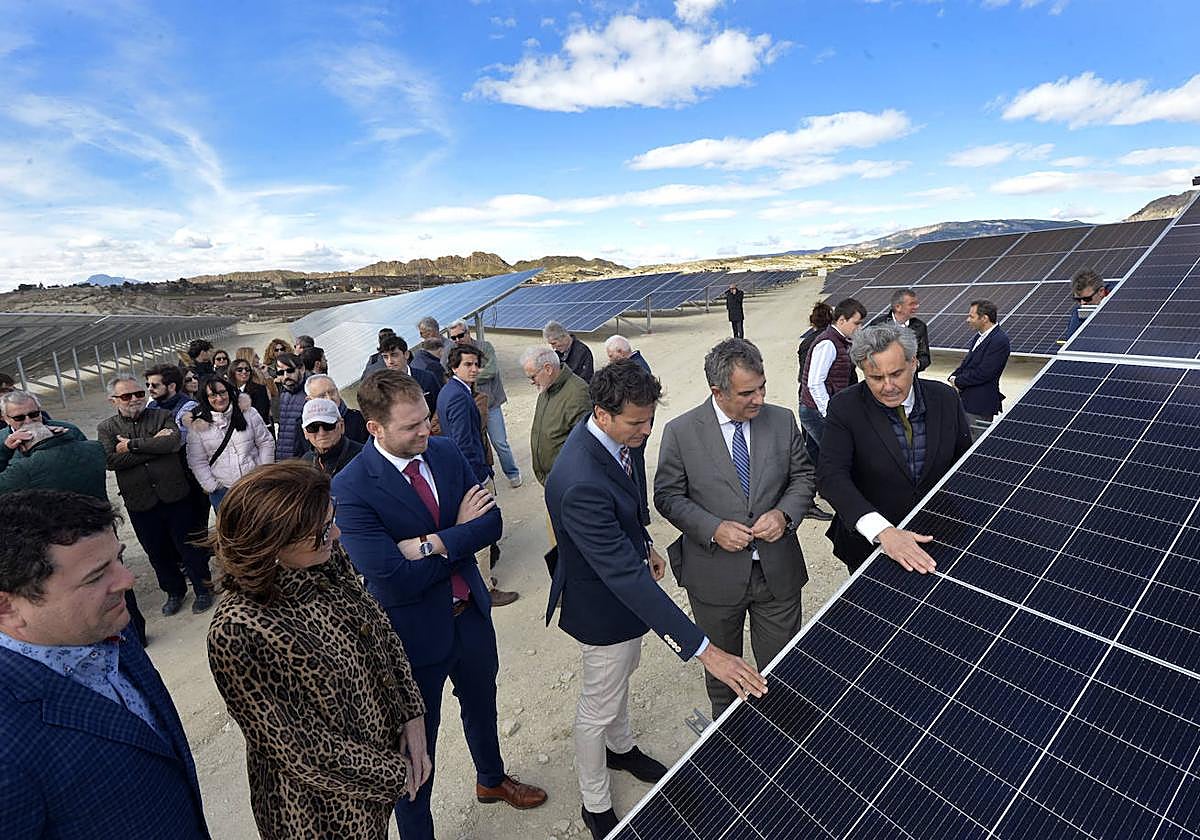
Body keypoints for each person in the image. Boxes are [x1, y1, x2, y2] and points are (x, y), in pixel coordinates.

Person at [545, 361, 767, 839]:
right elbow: (623, 577)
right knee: (596, 705)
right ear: (602, 414)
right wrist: (708, 652)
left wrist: (643, 544)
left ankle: (621, 748)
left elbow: (625, 506)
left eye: (649, 421)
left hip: (622, 588)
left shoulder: (613, 439)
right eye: (636, 424)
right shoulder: (580, 477)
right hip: (602, 607)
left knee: (622, 676)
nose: (646, 433)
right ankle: (594, 801)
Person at [333, 370, 547, 838]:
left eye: (425, 420)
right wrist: (456, 537)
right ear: (375, 428)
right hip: (411, 639)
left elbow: (490, 526)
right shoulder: (351, 487)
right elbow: (391, 581)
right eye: (410, 427)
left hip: (468, 615)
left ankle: (491, 780)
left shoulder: (446, 452)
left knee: (482, 705)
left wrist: (427, 544)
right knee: (415, 748)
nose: (424, 432)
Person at [206, 462, 428, 839]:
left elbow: (376, 629)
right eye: (323, 530)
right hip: (318, 814)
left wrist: (412, 714)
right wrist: (395, 771)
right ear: (271, 543)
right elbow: (301, 749)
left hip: (371, 789)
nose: (336, 533)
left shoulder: (323, 558)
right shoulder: (237, 630)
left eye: (332, 519)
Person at [0, 491, 211, 839]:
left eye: (119, 559)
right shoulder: (9, 746)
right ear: (8, 607)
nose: (128, 581)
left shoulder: (108, 626)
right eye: (96, 576)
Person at [654, 338, 815, 717]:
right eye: (747, 393)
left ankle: (783, 746)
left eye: (762, 388)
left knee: (784, 672)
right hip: (714, 579)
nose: (759, 399)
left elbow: (804, 478)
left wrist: (785, 515)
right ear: (717, 391)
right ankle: (729, 749)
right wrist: (712, 528)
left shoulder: (782, 420)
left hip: (777, 574)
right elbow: (667, 496)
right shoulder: (681, 432)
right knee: (724, 678)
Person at [818, 323, 972, 574]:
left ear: (913, 363)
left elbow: (966, 463)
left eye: (896, 374)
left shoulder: (945, 398)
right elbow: (831, 476)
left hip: (941, 535)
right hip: (870, 546)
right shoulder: (844, 407)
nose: (888, 386)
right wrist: (882, 531)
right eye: (876, 378)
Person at [98, 375, 213, 615]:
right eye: (126, 396)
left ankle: (203, 589)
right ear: (113, 401)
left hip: (175, 495)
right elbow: (110, 460)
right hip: (140, 500)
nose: (135, 399)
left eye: (139, 394)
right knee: (157, 551)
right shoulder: (107, 428)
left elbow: (171, 444)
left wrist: (131, 445)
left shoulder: (162, 416)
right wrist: (153, 445)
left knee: (189, 545)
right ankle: (174, 591)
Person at [436, 345, 517, 607]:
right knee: (480, 532)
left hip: (464, 472)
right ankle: (485, 588)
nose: (474, 369)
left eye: (476, 364)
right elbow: (463, 443)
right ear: (454, 367)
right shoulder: (459, 396)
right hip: (472, 474)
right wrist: (478, 478)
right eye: (467, 365)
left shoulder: (450, 390)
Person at [448, 320, 522, 488]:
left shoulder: (485, 347)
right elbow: (448, 374)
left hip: (491, 404)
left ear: (468, 332)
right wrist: (476, 373)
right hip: (470, 406)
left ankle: (512, 473)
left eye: (460, 335)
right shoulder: (452, 353)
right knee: (477, 445)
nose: (458, 339)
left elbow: (492, 370)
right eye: (454, 337)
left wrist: (468, 375)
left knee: (499, 442)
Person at [186, 375, 275, 509]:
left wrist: (264, 471)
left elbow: (265, 442)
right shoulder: (198, 426)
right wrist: (212, 485)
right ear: (206, 398)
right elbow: (197, 461)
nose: (220, 399)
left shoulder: (249, 413)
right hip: (223, 492)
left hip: (255, 485)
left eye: (222, 392)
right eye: (213, 395)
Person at [799, 297, 867, 464]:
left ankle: (816, 485)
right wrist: (829, 412)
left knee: (816, 456)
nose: (860, 328)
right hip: (815, 411)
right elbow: (815, 383)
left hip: (815, 409)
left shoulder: (840, 341)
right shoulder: (828, 343)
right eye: (856, 323)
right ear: (842, 320)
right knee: (837, 454)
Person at [522, 344, 592, 486]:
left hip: (567, 480)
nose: (531, 382)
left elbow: (584, 446)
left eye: (533, 376)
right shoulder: (547, 387)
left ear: (548, 369)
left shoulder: (577, 393)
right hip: (552, 478)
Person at [949, 299, 1011, 438]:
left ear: (984, 318)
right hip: (966, 401)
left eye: (971, 316)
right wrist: (953, 376)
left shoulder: (999, 340)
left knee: (973, 443)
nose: (967, 320)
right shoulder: (979, 337)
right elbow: (967, 363)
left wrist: (958, 381)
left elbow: (985, 373)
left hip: (979, 405)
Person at [868, 288, 931, 372]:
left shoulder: (919, 326)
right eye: (912, 304)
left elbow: (925, 356)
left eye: (917, 304)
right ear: (898, 307)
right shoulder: (878, 325)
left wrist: (917, 364)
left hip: (909, 378)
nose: (916, 307)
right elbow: (867, 353)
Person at [380, 334, 442, 416]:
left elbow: (441, 404)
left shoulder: (427, 378)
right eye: (385, 357)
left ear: (406, 354)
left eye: (394, 355)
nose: (390, 361)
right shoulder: (384, 389)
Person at [300, 398, 363, 477]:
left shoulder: (363, 456)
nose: (322, 433)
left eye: (328, 425)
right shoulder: (304, 464)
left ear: (341, 426)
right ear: (305, 433)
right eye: (313, 427)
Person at [304, 374, 367, 443]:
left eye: (332, 392)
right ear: (309, 400)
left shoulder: (359, 418)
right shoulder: (305, 427)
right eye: (322, 396)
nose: (329, 398)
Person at [272, 352, 309, 460]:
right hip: (284, 460)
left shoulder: (312, 392)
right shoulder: (283, 394)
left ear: (301, 369)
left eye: (290, 371)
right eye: (280, 373)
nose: (286, 376)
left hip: (303, 461)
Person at [1063, 269, 1112, 340]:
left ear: (1101, 291)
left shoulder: (1122, 299)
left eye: (1087, 299)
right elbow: (1072, 341)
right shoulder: (1078, 314)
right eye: (1078, 299)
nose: (1082, 303)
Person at [230, 356, 272, 423]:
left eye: (247, 369)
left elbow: (261, 413)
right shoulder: (229, 391)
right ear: (232, 372)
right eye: (240, 370)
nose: (244, 372)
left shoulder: (260, 389)